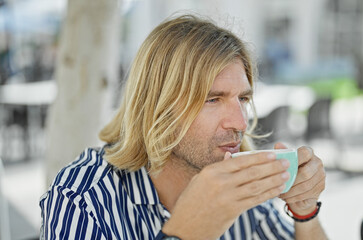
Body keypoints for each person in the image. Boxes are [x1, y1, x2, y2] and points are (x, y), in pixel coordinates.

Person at [40, 14, 327, 240]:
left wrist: (304, 212)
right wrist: (187, 233)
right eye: (212, 99)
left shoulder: (240, 181)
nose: (240, 122)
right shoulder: (82, 198)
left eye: (243, 98)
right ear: (157, 107)